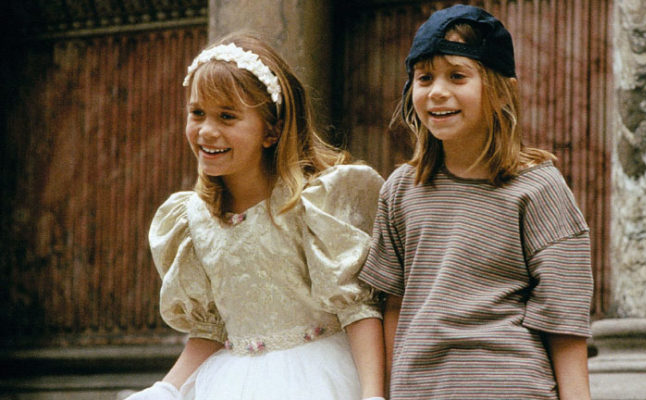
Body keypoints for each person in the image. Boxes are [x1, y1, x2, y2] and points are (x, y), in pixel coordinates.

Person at [127, 31, 386, 400]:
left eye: (227, 116)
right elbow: (210, 330)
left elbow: (357, 309)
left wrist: (373, 394)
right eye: (197, 113)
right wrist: (165, 389)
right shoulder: (194, 221)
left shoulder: (311, 205)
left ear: (272, 130)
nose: (207, 131)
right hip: (231, 383)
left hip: (317, 378)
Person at [359, 4, 593, 400]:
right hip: (420, 390)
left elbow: (564, 321)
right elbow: (393, 305)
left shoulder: (538, 188)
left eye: (457, 76)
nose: (437, 91)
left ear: (501, 91)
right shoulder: (400, 190)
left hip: (512, 387)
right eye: (424, 77)